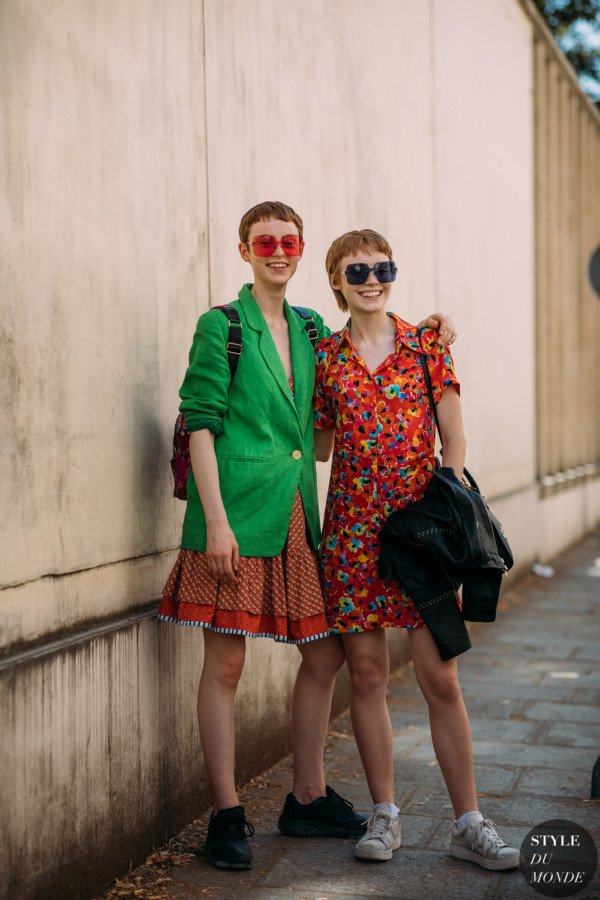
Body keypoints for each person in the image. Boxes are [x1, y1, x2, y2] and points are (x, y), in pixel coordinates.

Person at [158, 203, 455, 870]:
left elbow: (367, 334)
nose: (279, 250)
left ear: (302, 251)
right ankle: (227, 813)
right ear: (245, 250)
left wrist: (435, 329)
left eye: (290, 241)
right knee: (227, 666)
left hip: (298, 515)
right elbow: (199, 421)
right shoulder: (221, 326)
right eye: (266, 241)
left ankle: (307, 797)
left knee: (325, 658)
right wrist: (216, 523)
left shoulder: (312, 329)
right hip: (232, 515)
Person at [313, 228, 520, 870]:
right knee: (368, 675)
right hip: (351, 535)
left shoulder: (429, 344)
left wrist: (447, 501)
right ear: (336, 282)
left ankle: (469, 823)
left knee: (441, 679)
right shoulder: (324, 358)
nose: (372, 279)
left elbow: (454, 441)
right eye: (357, 271)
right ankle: (385, 816)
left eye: (383, 267)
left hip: (423, 537)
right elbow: (319, 445)